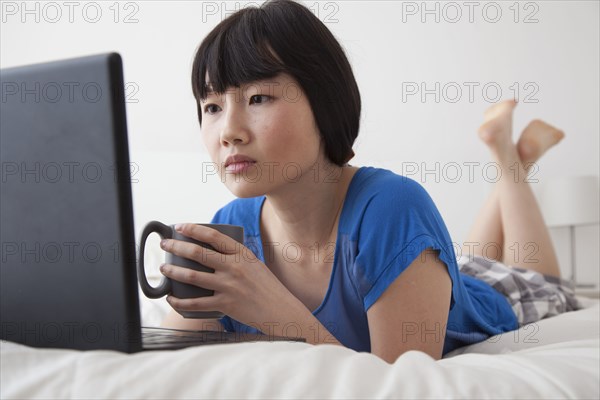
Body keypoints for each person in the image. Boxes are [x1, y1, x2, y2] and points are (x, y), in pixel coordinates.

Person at [159, 0, 581, 363]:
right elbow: (174, 362)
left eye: (258, 98)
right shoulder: (229, 224)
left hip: (492, 293)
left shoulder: (393, 205)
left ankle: (511, 163)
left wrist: (272, 310)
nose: (228, 130)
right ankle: (509, 156)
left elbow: (398, 383)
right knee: (466, 260)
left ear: (325, 103)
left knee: (542, 280)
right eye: (211, 106)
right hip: (423, 270)